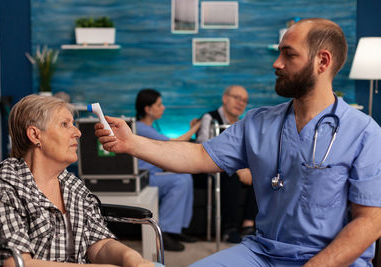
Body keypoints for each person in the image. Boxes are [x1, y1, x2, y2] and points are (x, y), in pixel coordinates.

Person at [95, 18, 381, 266]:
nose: (276, 63)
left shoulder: (364, 133)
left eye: (288, 55)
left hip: (329, 258)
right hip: (263, 252)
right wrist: (132, 143)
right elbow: (198, 156)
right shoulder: (259, 122)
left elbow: (370, 222)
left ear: (322, 61)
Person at [0, 94, 157, 267]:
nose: (78, 132)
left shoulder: (73, 185)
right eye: (65, 124)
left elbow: (100, 244)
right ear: (35, 135)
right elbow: (18, 264)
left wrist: (132, 259)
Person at [135, 89, 201, 252]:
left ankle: (175, 230)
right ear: (148, 109)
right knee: (181, 179)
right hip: (144, 178)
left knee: (185, 176)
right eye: (159, 104)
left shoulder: (149, 128)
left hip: (155, 174)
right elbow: (173, 144)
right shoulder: (140, 127)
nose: (163, 107)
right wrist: (196, 128)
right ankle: (162, 232)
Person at [195, 85, 258, 243]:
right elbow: (204, 147)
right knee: (229, 174)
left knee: (262, 172)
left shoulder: (242, 124)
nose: (241, 103)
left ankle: (248, 223)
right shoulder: (210, 118)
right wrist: (238, 169)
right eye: (237, 98)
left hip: (236, 168)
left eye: (244, 100)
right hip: (209, 170)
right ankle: (229, 229)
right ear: (225, 98)